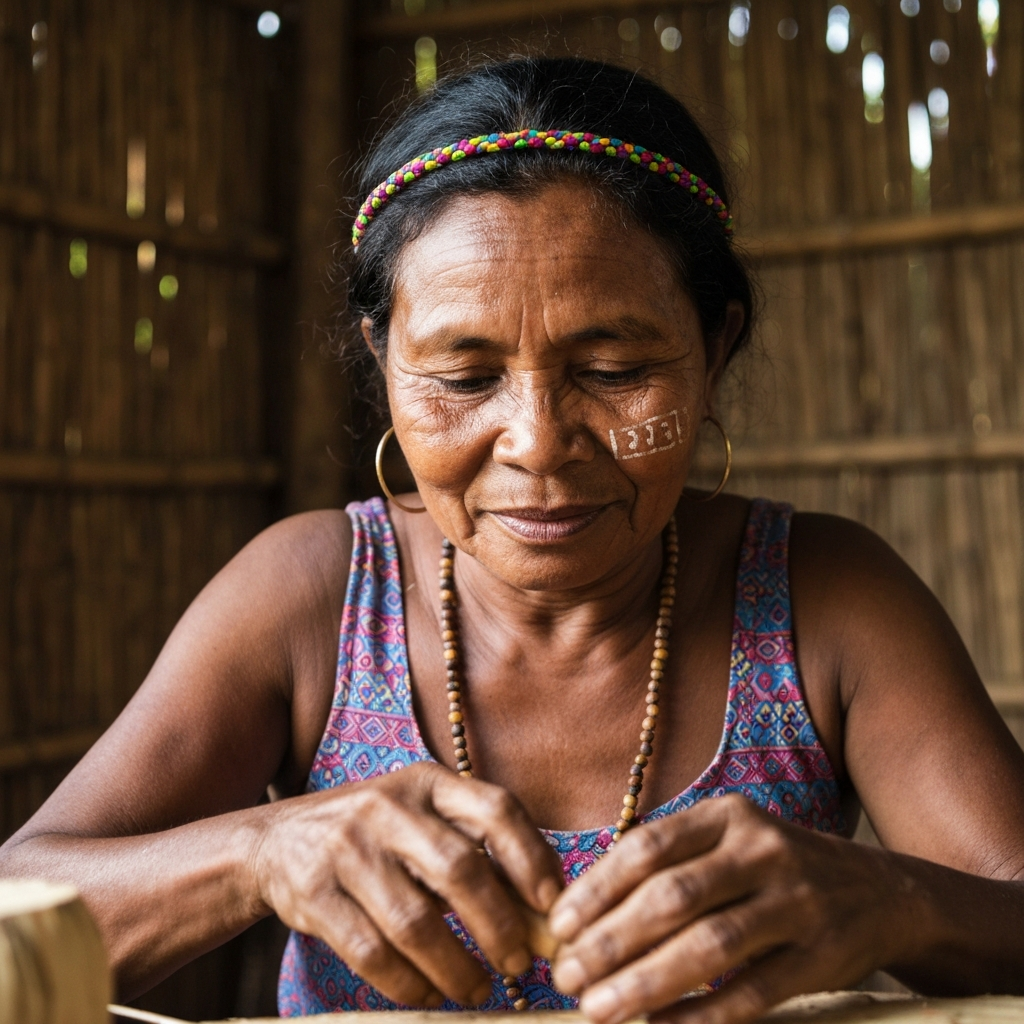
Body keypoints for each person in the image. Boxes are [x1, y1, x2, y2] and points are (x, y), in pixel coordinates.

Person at [3, 56, 1024, 1024]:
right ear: (382, 359)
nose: (536, 443)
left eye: (615, 368)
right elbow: (18, 897)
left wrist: (890, 899)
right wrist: (261, 852)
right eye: (462, 378)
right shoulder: (313, 597)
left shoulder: (821, 598)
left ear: (714, 349)